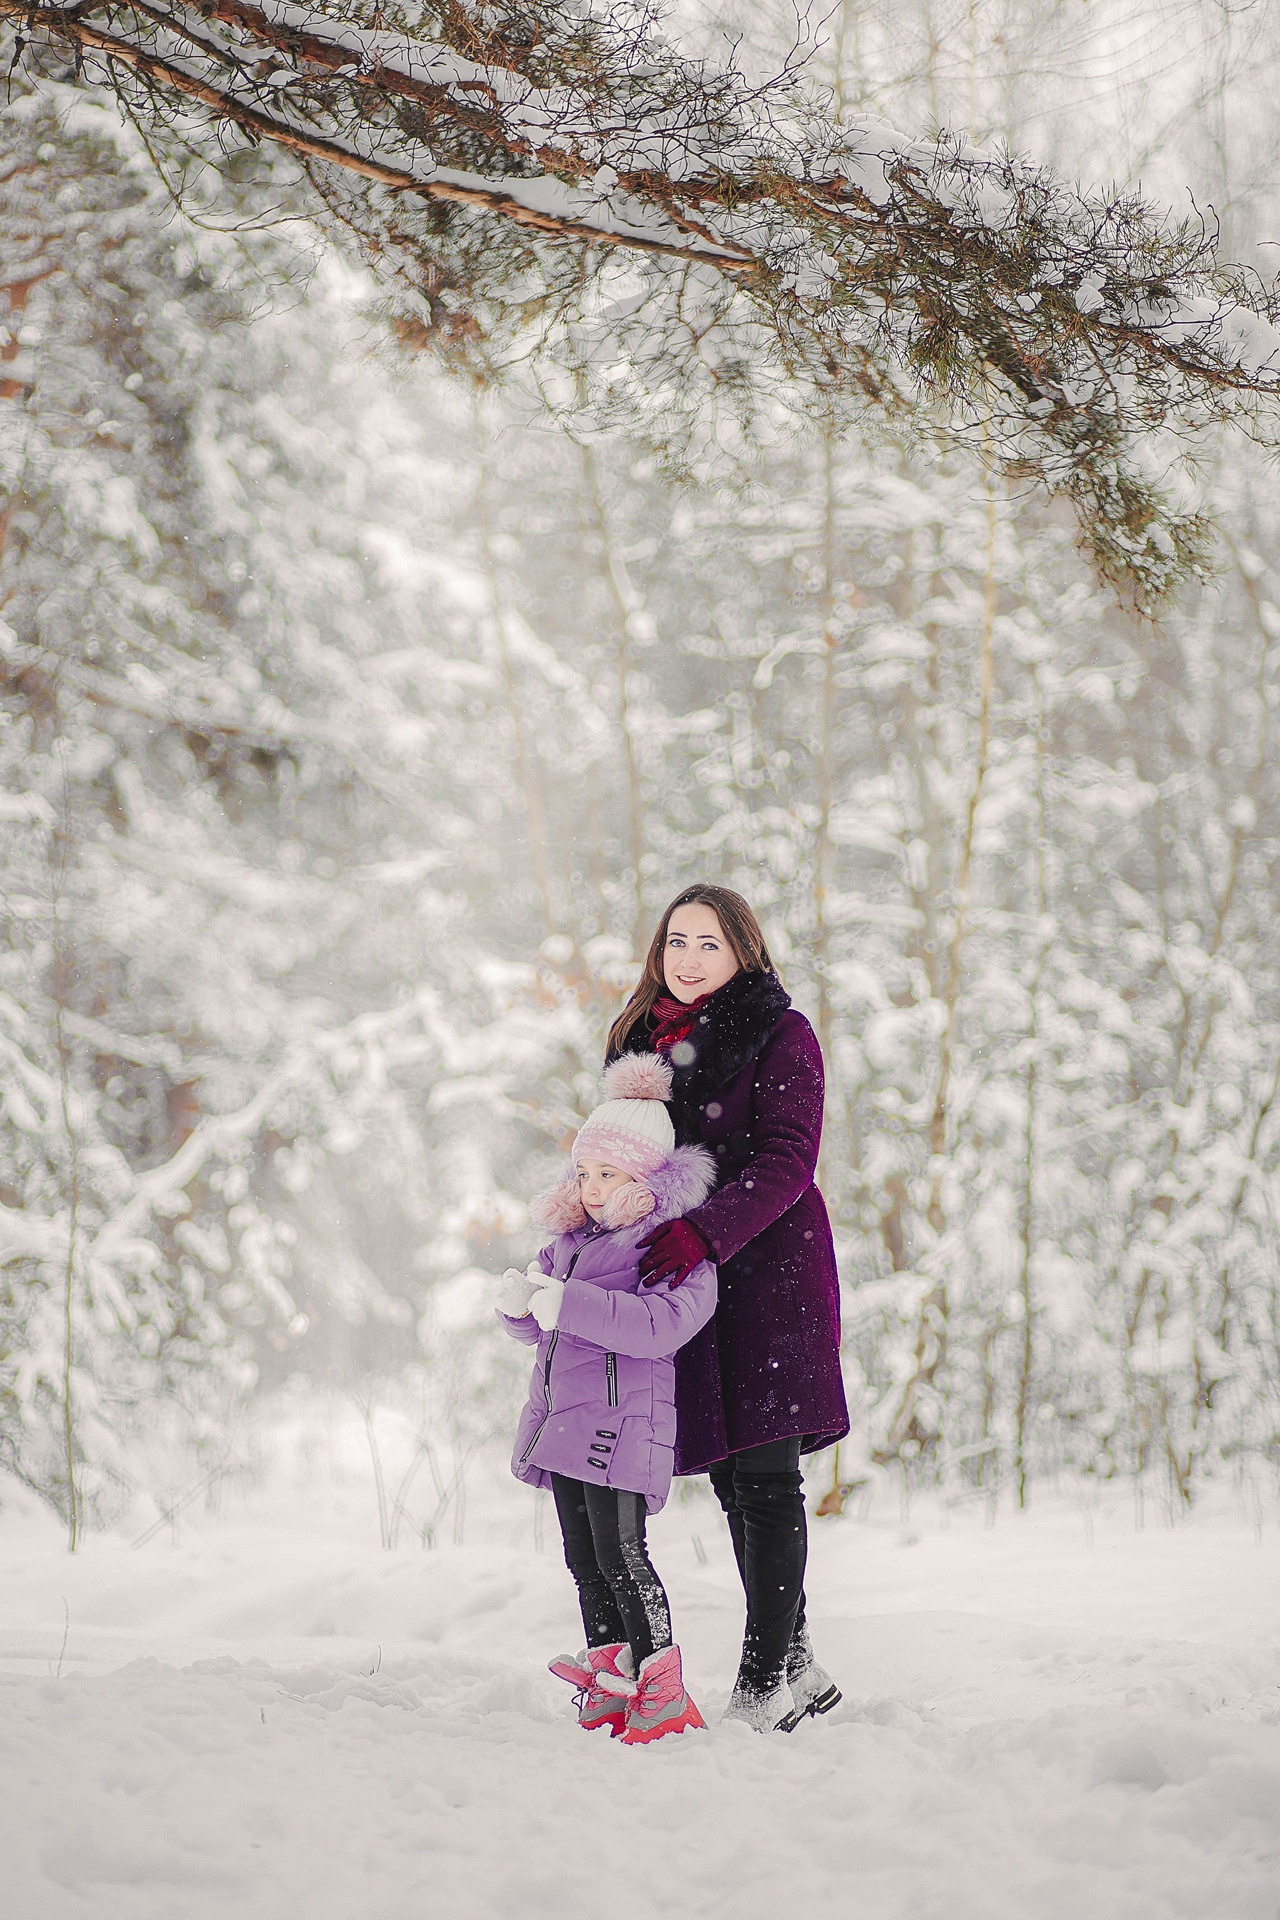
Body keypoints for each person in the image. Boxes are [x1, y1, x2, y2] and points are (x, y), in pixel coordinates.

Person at [607, 883, 850, 1733]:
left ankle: (760, 1683)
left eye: (710, 944)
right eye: (677, 940)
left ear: (744, 951)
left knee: (768, 1476)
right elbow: (618, 1150)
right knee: (728, 1478)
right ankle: (797, 1661)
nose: (688, 959)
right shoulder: (643, 1041)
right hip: (688, 1278)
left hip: (769, 1265)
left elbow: (790, 1159)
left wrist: (706, 1231)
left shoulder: (783, 1034)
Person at [497, 1051, 718, 1744]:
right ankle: (610, 1676)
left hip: (623, 1424)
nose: (591, 1188)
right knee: (584, 1557)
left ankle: (662, 1689)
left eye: (608, 1174)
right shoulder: (570, 1240)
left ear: (645, 1176)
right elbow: (544, 1325)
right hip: (567, 1421)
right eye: (584, 1172)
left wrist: (571, 1305)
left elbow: (664, 1325)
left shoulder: (669, 1247)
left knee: (624, 1554)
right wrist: (521, 1309)